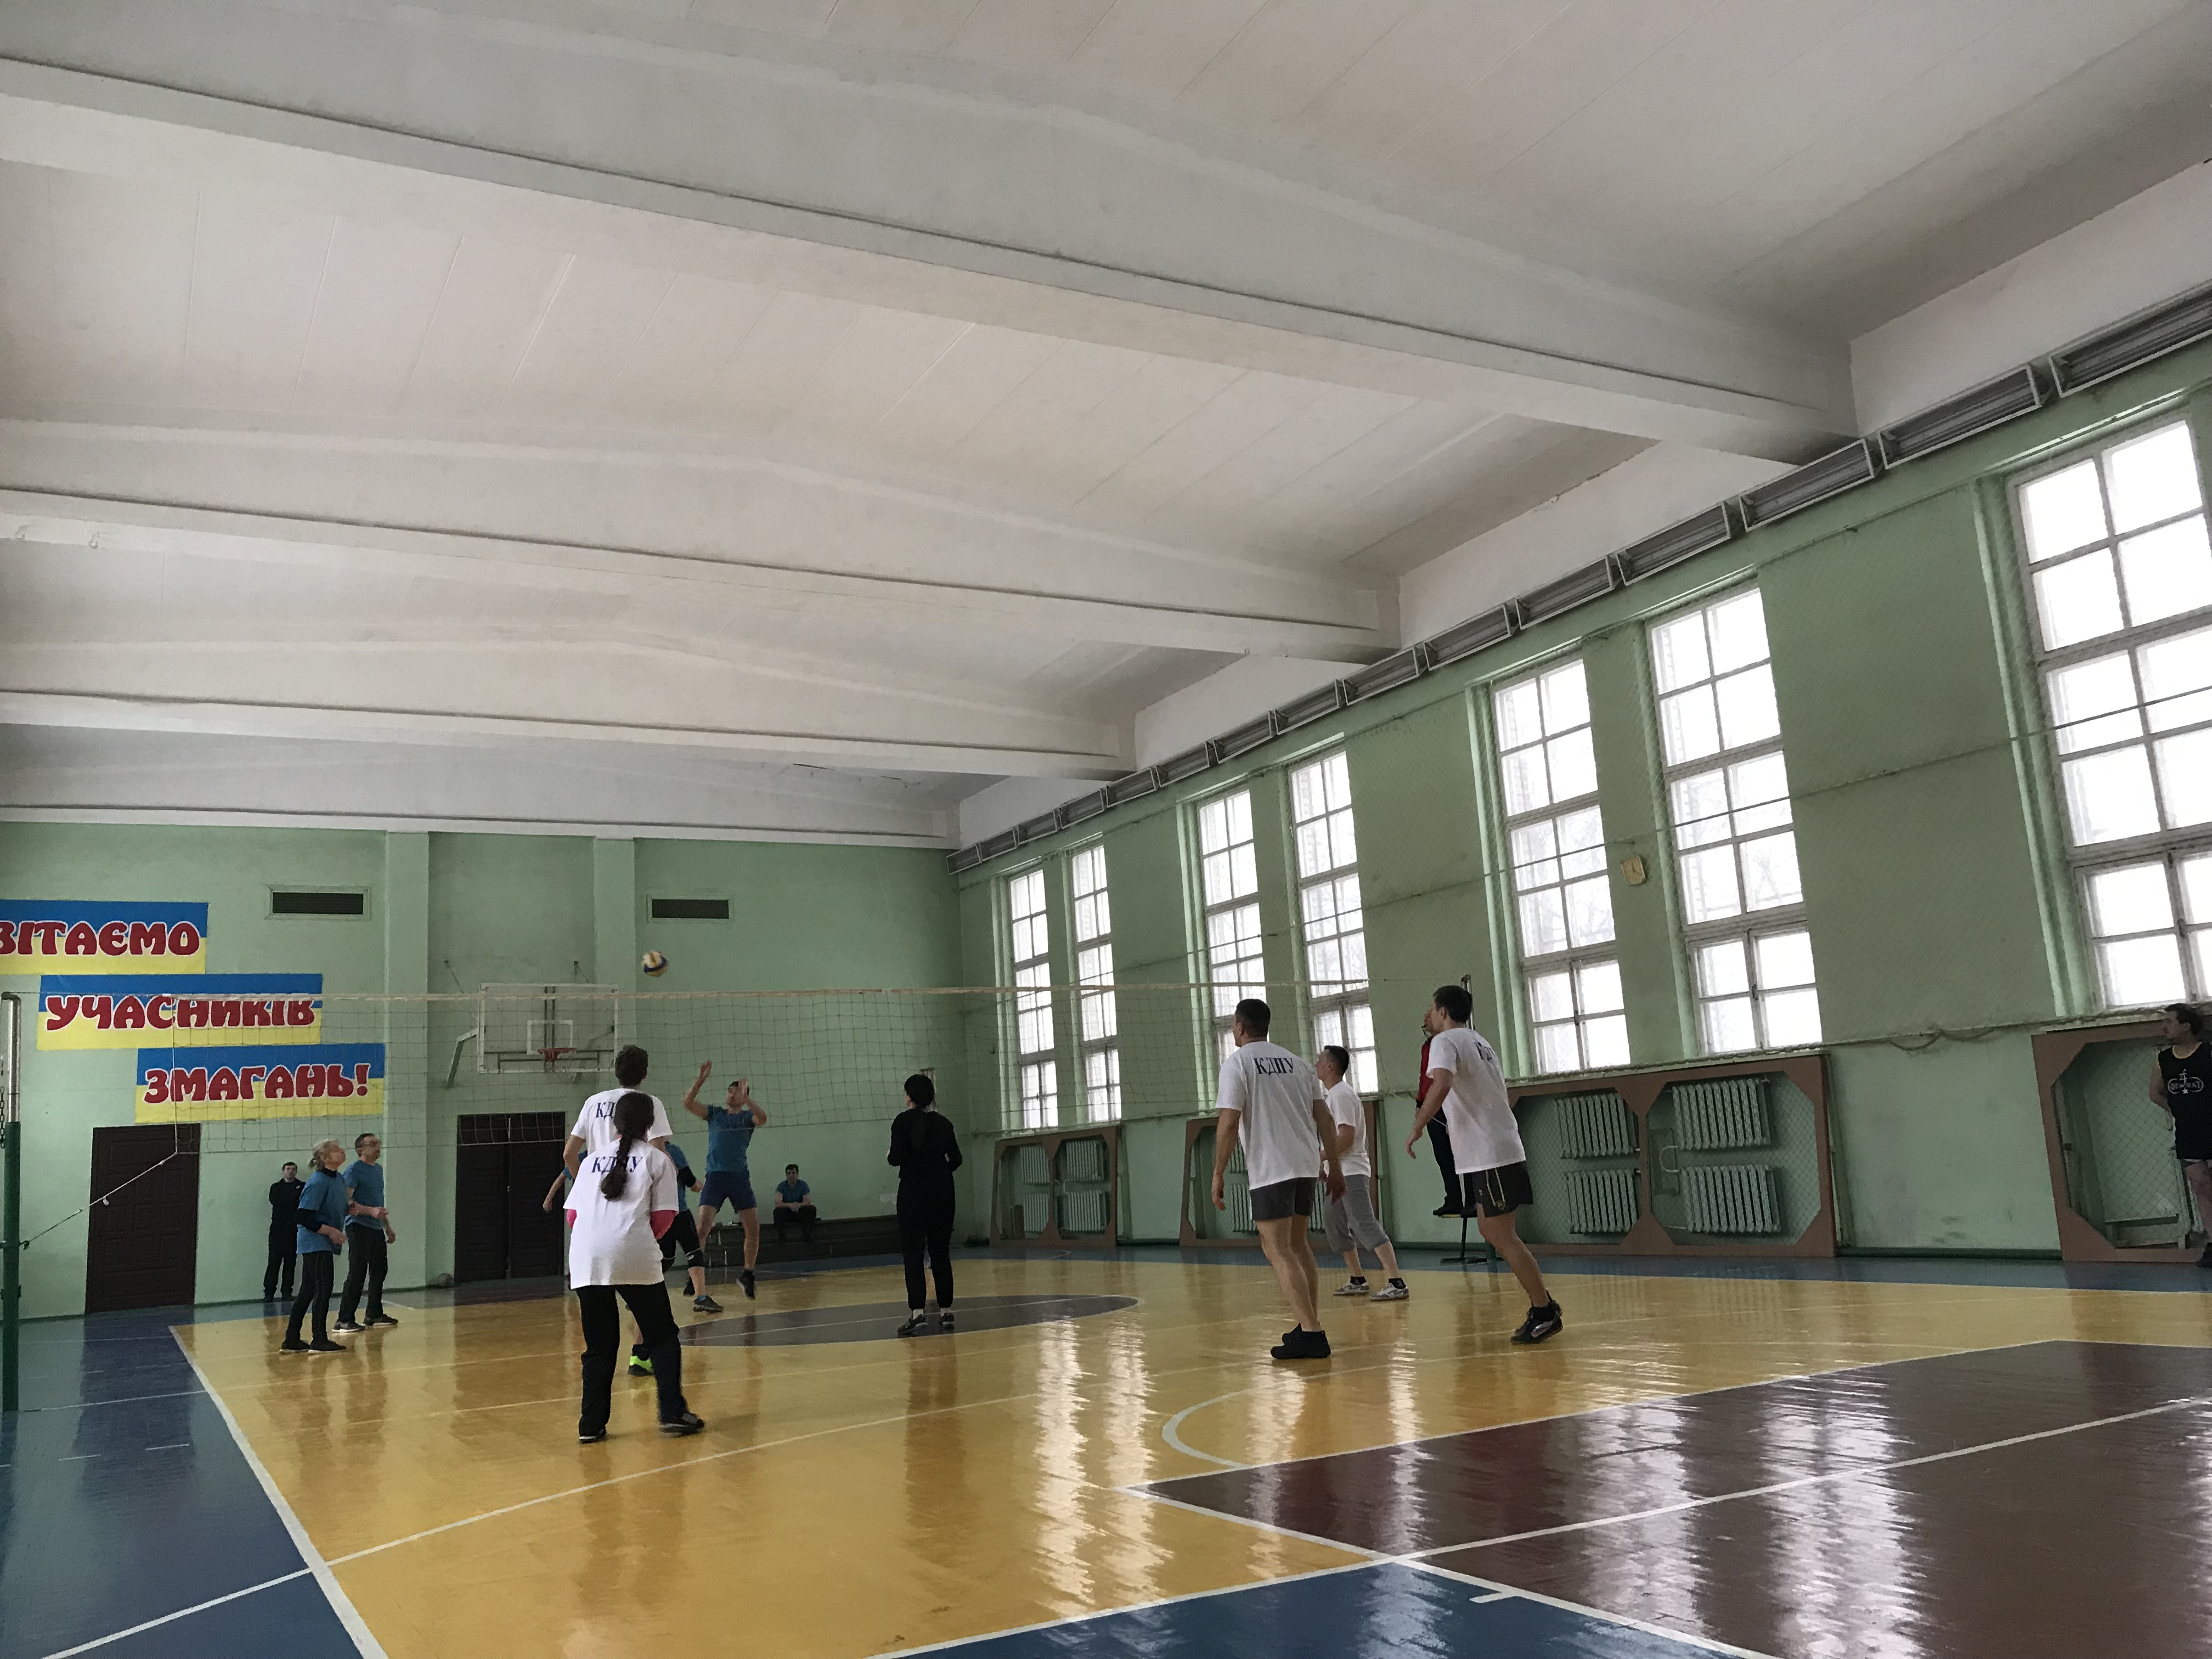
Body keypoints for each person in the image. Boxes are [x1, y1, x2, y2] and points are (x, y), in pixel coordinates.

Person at [1407, 985, 1561, 1344]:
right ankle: (1543, 1307)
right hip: (1495, 1147)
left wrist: (1418, 1125)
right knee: (1493, 1231)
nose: (1429, 1015)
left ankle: (1544, 1310)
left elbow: (1440, 1084)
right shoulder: (1480, 1042)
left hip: (1490, 1152)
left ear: (1443, 1012)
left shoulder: (1445, 1042)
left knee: (1501, 1235)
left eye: (1432, 1008)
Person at [1211, 998, 1345, 1362]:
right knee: (1298, 1246)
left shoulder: (1238, 1063)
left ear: (1240, 1027)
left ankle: (1313, 1334)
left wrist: (1218, 1172)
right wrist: (1334, 1167)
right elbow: (1325, 1120)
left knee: (1278, 1250)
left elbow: (1228, 1123)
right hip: (1305, 1165)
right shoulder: (1299, 1064)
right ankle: (1308, 1325)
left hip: (1272, 1168)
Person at [568, 1091, 703, 1442]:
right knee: (662, 1336)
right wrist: (632, 1243)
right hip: (633, 1253)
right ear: (650, 1124)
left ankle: (590, 1426)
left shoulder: (589, 1162)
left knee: (599, 1346)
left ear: (615, 1124)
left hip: (585, 1257)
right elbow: (664, 1219)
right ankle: (672, 1413)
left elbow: (572, 1217)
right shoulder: (659, 1160)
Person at [1317, 1045, 1408, 1302]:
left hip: (1351, 1172)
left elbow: (1346, 1137)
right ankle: (1357, 1279)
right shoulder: (1333, 1096)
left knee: (1363, 1222)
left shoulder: (1341, 1095)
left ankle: (1396, 1282)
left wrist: (1320, 1157)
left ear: (1331, 1065)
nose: (1316, 1064)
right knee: (1335, 1225)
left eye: (1320, 1060)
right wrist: (1327, 1167)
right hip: (1338, 1171)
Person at [684, 1063, 767, 1300]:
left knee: (753, 1229)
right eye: (730, 1091)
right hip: (715, 1177)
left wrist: (748, 1099)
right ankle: (694, 1277)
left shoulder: (747, 1118)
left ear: (743, 1097)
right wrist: (700, 1080)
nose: (731, 1095)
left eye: (736, 1092)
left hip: (739, 1177)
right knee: (702, 1228)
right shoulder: (715, 1114)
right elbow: (688, 1104)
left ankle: (747, 1275)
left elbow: (762, 1118)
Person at [888, 1073, 960, 1336]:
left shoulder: (902, 1122)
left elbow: (895, 1159)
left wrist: (897, 1156)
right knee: (941, 1251)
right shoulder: (944, 1123)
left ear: (909, 1097)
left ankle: (917, 1312)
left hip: (913, 1192)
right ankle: (946, 1311)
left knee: (913, 1252)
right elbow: (957, 1159)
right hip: (942, 1191)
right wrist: (939, 1172)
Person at [2148, 1002, 2212, 1268]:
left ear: (2186, 1026)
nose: (2164, 1027)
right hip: (2189, 1132)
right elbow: (2155, 1093)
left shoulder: (2208, 1053)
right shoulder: (2164, 1059)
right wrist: (2178, 1111)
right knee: (2201, 1186)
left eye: (2169, 1022)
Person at [280, 1141, 350, 1354]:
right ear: (325, 1158)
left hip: (324, 1241)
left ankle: (291, 1340)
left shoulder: (339, 1179)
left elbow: (337, 1206)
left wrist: (357, 1209)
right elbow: (303, 1216)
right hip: (315, 1241)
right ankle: (319, 1339)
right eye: (337, 1150)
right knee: (323, 1288)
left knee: (308, 1290)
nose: (343, 1151)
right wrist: (331, 1231)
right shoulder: (318, 1181)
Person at [334, 1132, 398, 1333]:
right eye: (373, 1144)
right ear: (361, 1149)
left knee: (380, 1269)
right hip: (358, 1225)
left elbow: (378, 1202)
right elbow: (345, 1201)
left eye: (378, 1143)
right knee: (358, 1272)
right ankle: (344, 1320)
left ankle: (374, 1314)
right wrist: (369, 1211)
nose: (378, 1147)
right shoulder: (354, 1170)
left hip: (376, 1227)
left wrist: (387, 1226)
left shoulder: (378, 1170)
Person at [1417, 1031, 1460, 1216]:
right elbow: (1424, 1079)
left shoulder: (1447, 1042)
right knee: (1443, 1156)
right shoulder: (1428, 1046)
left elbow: (1442, 1082)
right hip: (1431, 1106)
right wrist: (1420, 1104)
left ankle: (1471, 1199)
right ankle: (1453, 1198)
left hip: (1449, 1104)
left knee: (1461, 1154)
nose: (1426, 1019)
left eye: (1429, 1016)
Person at [262, 1160, 303, 1300]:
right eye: (288, 1169)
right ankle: (269, 1292)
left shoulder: (302, 1186)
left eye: (293, 1169)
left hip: (294, 1229)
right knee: (274, 1261)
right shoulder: (276, 1187)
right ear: (283, 1171)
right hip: (278, 1229)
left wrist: (292, 1202)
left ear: (296, 1172)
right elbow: (276, 1201)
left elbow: (301, 1203)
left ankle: (287, 1292)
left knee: (291, 1262)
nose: (290, 1172)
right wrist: (292, 1201)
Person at [772, 1165, 816, 1244]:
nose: (791, 1175)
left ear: (797, 1174)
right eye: (789, 1173)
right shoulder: (781, 1186)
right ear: (786, 1175)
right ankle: (782, 1238)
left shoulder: (803, 1185)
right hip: (787, 1213)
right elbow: (778, 1203)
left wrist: (799, 1205)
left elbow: (808, 1202)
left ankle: (807, 1236)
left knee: (812, 1210)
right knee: (777, 1212)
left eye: (793, 1173)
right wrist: (790, 1205)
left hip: (799, 1212)